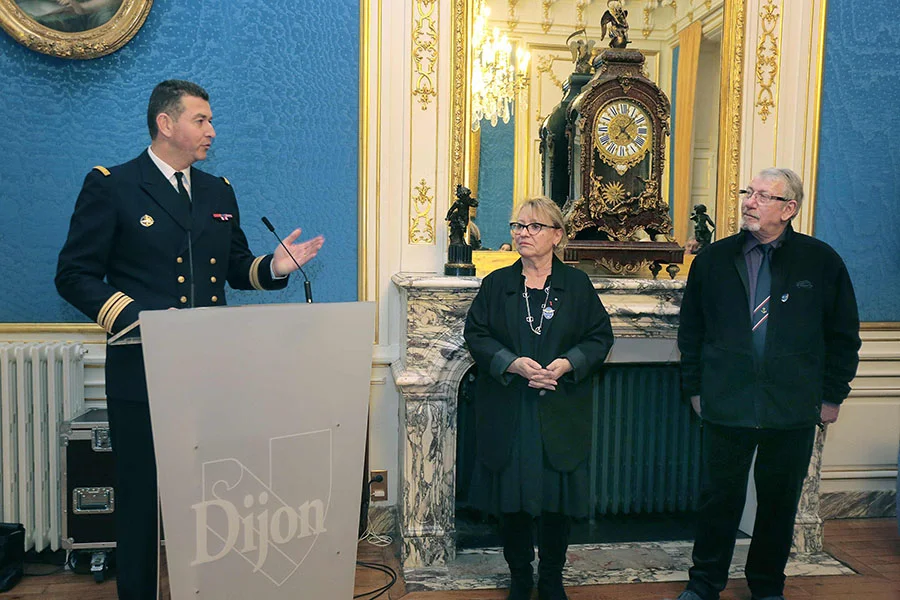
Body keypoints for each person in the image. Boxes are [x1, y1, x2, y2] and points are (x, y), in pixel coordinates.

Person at [55, 79, 324, 600]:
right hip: (143, 368)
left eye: (210, 120)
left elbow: (235, 268)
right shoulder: (113, 185)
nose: (211, 131)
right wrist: (139, 320)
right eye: (201, 120)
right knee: (141, 496)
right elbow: (74, 275)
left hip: (211, 370)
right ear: (165, 123)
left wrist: (274, 266)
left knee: (214, 494)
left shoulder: (218, 191)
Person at [670, 168, 860, 600]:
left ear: (788, 209)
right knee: (718, 501)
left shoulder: (821, 261)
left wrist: (832, 395)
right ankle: (704, 584)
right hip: (726, 401)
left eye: (761, 196)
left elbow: (843, 335)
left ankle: (767, 586)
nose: (749, 202)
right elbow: (691, 333)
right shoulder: (713, 260)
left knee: (778, 503)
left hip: (792, 405)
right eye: (748, 192)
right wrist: (695, 389)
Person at [464, 196, 614, 600]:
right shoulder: (497, 284)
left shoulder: (577, 285)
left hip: (559, 408)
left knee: (555, 503)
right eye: (518, 226)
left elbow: (600, 337)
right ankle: (520, 576)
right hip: (509, 408)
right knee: (511, 502)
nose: (522, 233)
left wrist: (566, 363)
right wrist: (512, 363)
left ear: (557, 235)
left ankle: (550, 579)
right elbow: (476, 334)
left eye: (534, 226)